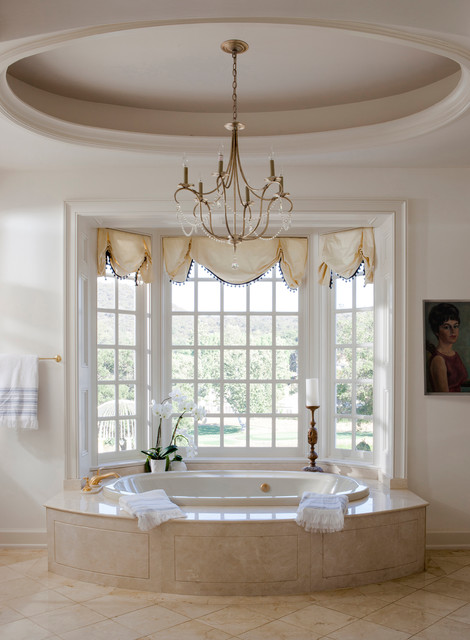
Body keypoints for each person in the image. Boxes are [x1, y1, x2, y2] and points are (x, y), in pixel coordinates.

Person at [427, 302, 468, 392]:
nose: (453, 331)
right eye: (446, 327)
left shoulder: (454, 354)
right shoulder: (438, 360)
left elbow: (459, 381)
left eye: (456, 326)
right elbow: (444, 394)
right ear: (436, 331)